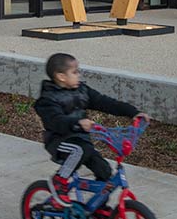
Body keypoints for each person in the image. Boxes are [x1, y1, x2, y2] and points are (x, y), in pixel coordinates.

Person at [33, 53, 147, 204]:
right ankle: (59, 181)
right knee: (79, 150)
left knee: (105, 172)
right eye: (74, 72)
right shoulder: (47, 100)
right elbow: (56, 121)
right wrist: (77, 123)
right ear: (61, 76)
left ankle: (97, 207)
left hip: (81, 141)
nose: (78, 75)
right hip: (59, 141)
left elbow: (105, 102)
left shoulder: (82, 91)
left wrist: (133, 112)